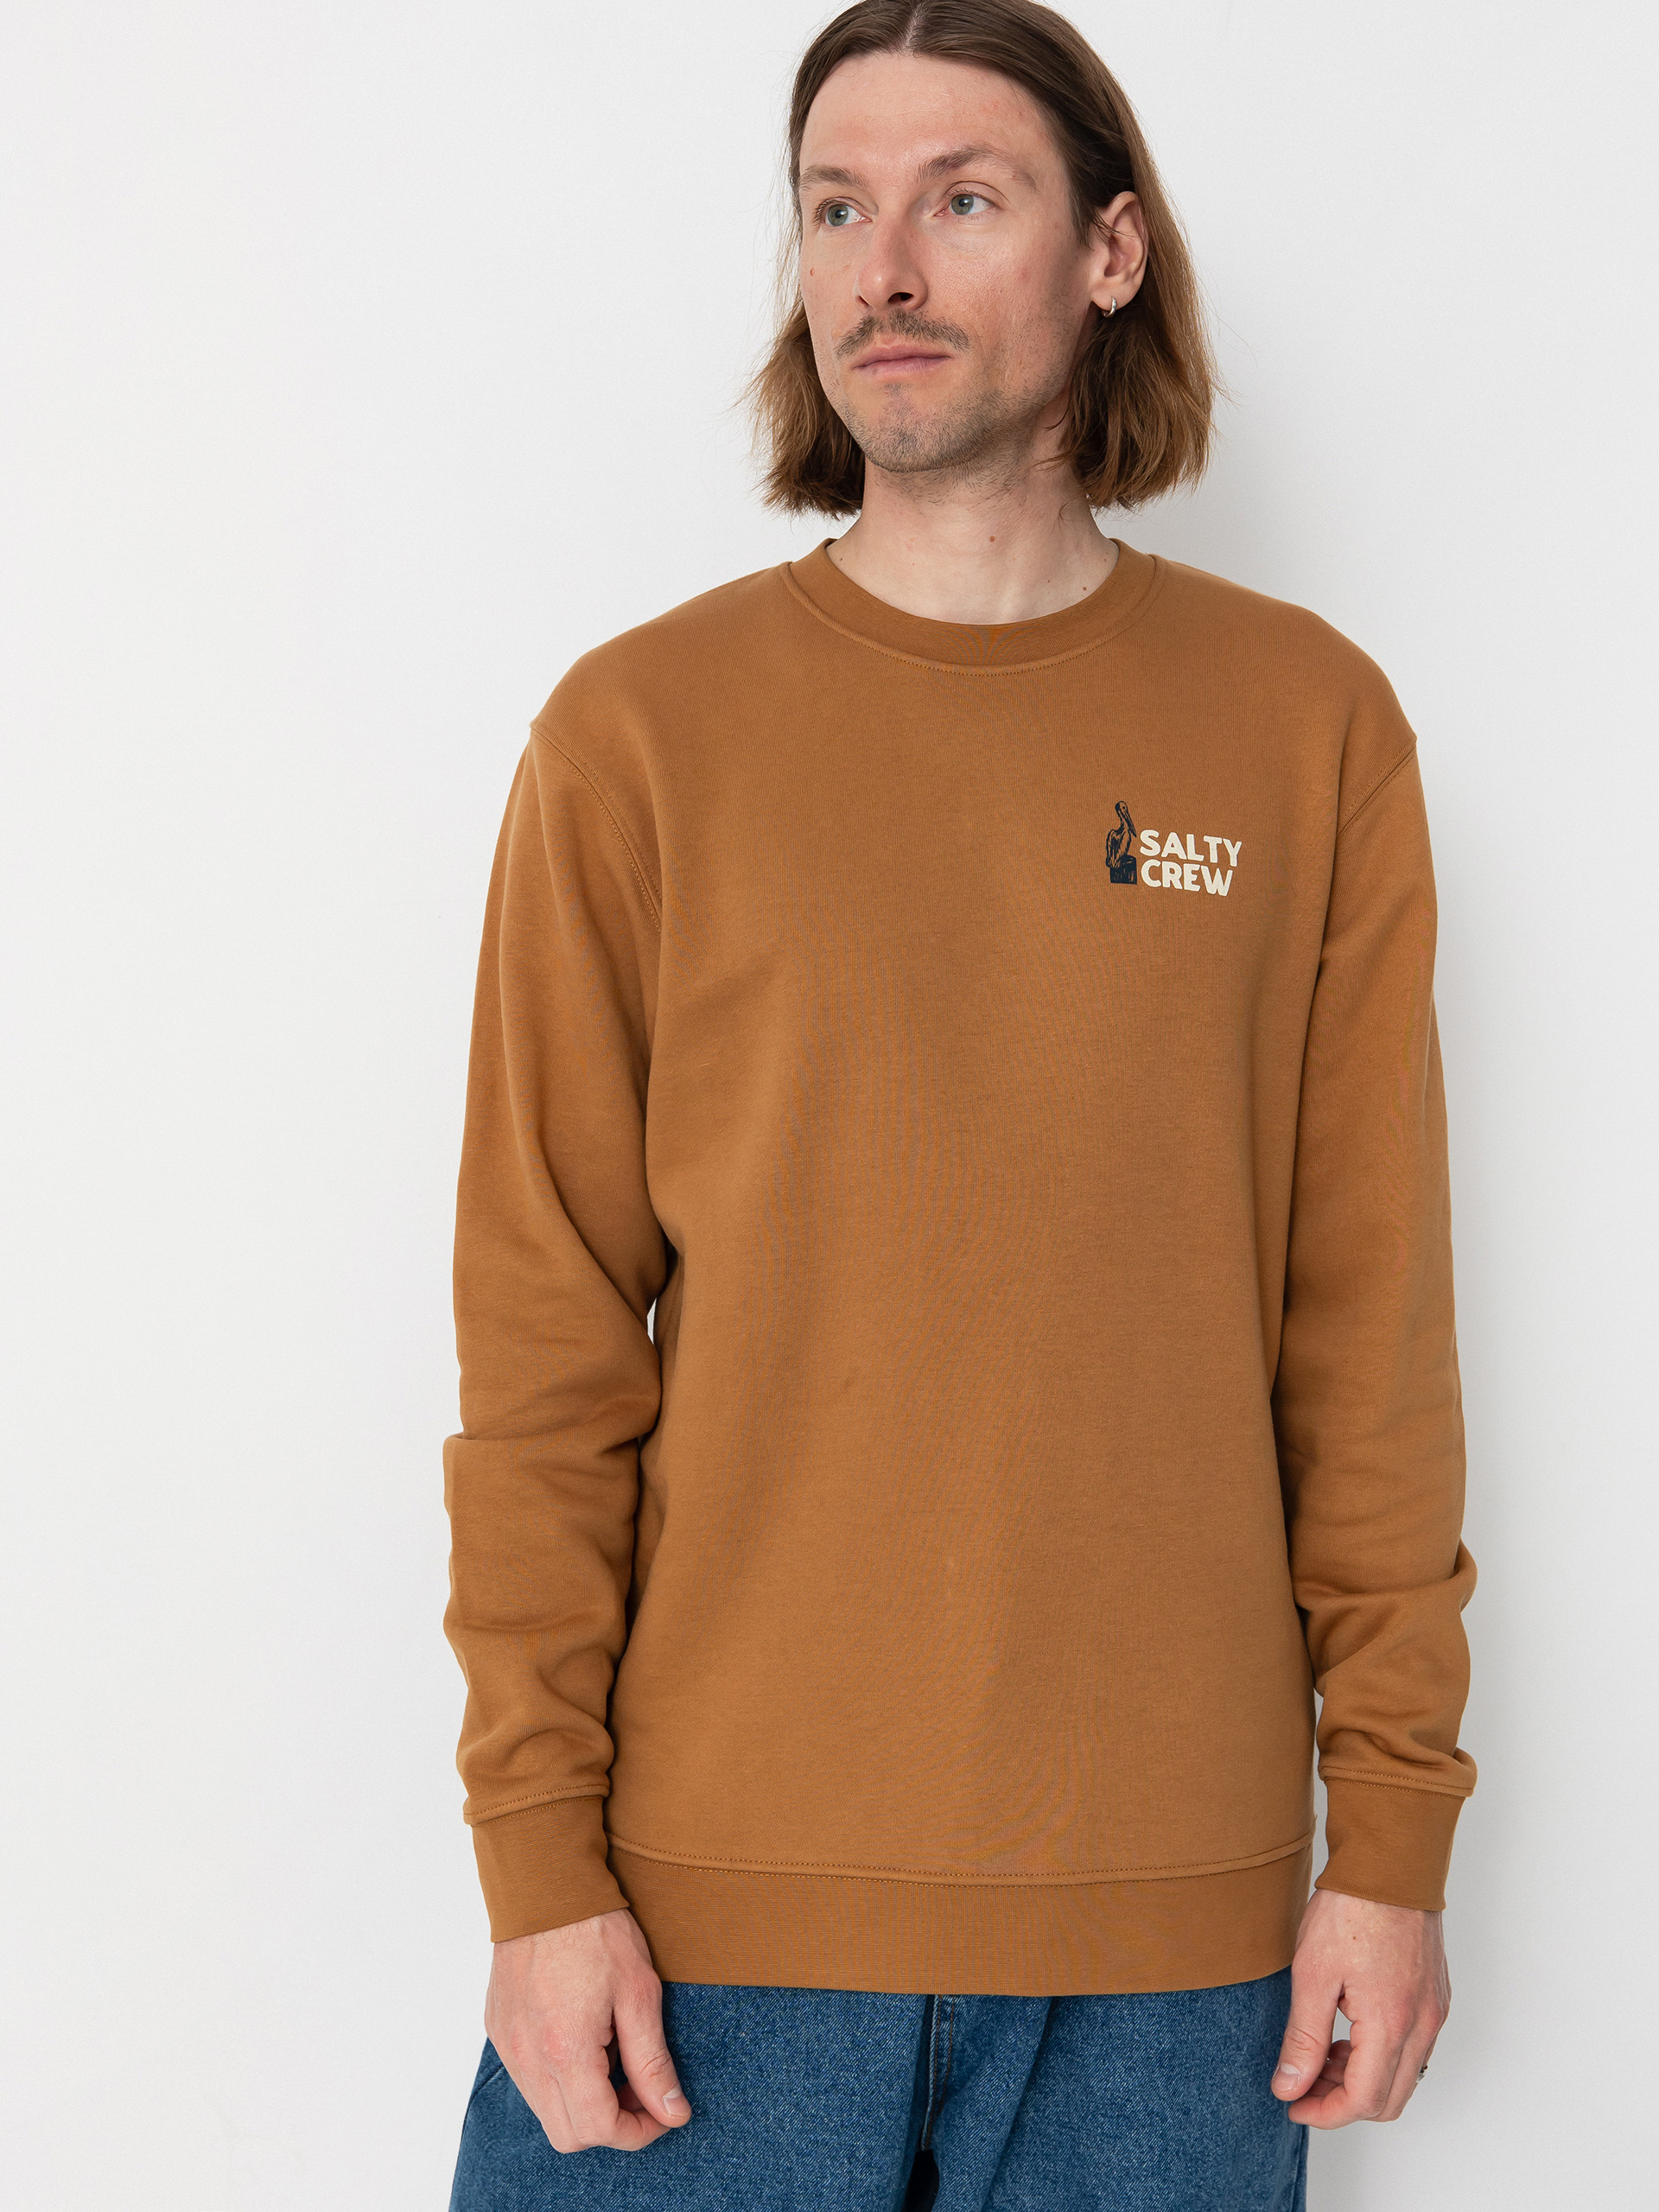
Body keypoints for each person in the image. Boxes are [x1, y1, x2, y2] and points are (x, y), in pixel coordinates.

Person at [440, 3, 1477, 2204]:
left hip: (1174, 1949)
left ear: (1110, 252)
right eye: (835, 208)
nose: (881, 268)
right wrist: (537, 1863)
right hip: (704, 1930)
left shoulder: (1308, 732)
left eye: (960, 199)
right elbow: (544, 1353)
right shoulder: (636, 742)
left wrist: (1391, 1836)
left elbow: (1368, 1339)